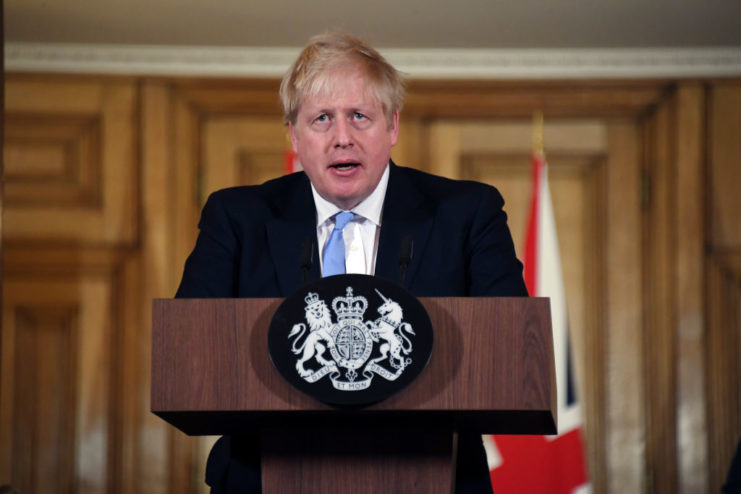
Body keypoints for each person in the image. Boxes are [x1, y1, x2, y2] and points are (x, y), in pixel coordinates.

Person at [176, 31, 528, 494]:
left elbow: (511, 351)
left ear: (392, 126)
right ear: (294, 135)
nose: (343, 138)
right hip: (263, 477)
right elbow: (190, 357)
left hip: (433, 475)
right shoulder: (237, 218)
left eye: (359, 116)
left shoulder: (467, 213)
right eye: (321, 119)